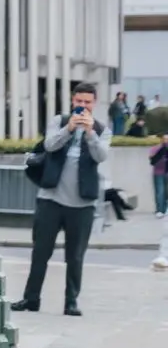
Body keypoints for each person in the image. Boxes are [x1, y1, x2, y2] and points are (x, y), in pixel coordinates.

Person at [12, 83, 110, 317]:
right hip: (51, 200)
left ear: (94, 103)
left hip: (82, 204)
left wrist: (90, 133)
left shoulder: (102, 130)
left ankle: (71, 302)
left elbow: (101, 156)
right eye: (79, 101)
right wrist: (69, 128)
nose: (83, 106)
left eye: (87, 102)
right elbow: (49, 145)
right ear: (72, 101)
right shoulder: (59, 121)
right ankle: (31, 299)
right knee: (40, 252)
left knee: (75, 257)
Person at [150, 134, 167, 217]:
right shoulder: (156, 148)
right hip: (158, 172)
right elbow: (152, 160)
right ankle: (160, 210)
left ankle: (163, 210)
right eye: (165, 139)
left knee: (165, 192)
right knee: (160, 191)